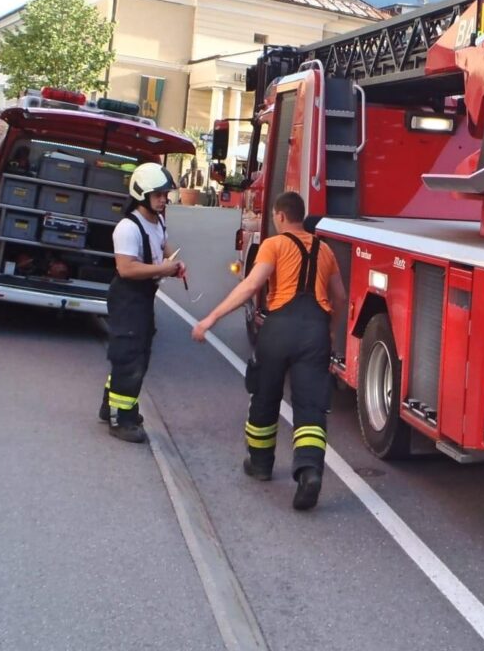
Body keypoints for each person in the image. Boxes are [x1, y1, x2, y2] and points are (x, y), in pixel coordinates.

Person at [192, 190, 346, 510]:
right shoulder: (326, 250)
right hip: (314, 331)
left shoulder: (273, 245)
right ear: (301, 216)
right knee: (310, 405)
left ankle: (260, 464)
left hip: (279, 329)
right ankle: (309, 471)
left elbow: (250, 286)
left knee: (265, 394)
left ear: (278, 216)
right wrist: (329, 331)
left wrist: (211, 317)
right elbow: (340, 298)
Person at [100, 162, 186, 443]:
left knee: (139, 349)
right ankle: (121, 420)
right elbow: (126, 268)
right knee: (130, 355)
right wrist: (163, 270)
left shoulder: (158, 219)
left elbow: (163, 244)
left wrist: (174, 262)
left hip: (144, 296)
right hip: (128, 295)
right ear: (142, 194)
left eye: (165, 194)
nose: (164, 199)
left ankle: (111, 405)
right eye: (159, 194)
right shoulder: (128, 227)